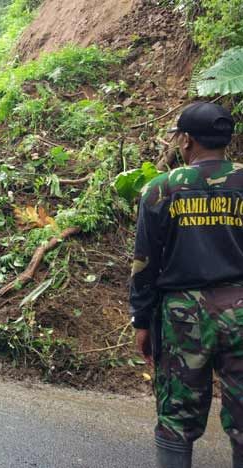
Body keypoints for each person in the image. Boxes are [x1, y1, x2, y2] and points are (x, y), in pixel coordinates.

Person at [130, 102, 242, 468]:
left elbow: (144, 264)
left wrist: (141, 321)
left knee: (176, 419)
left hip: (183, 317)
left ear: (187, 141)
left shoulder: (161, 190)